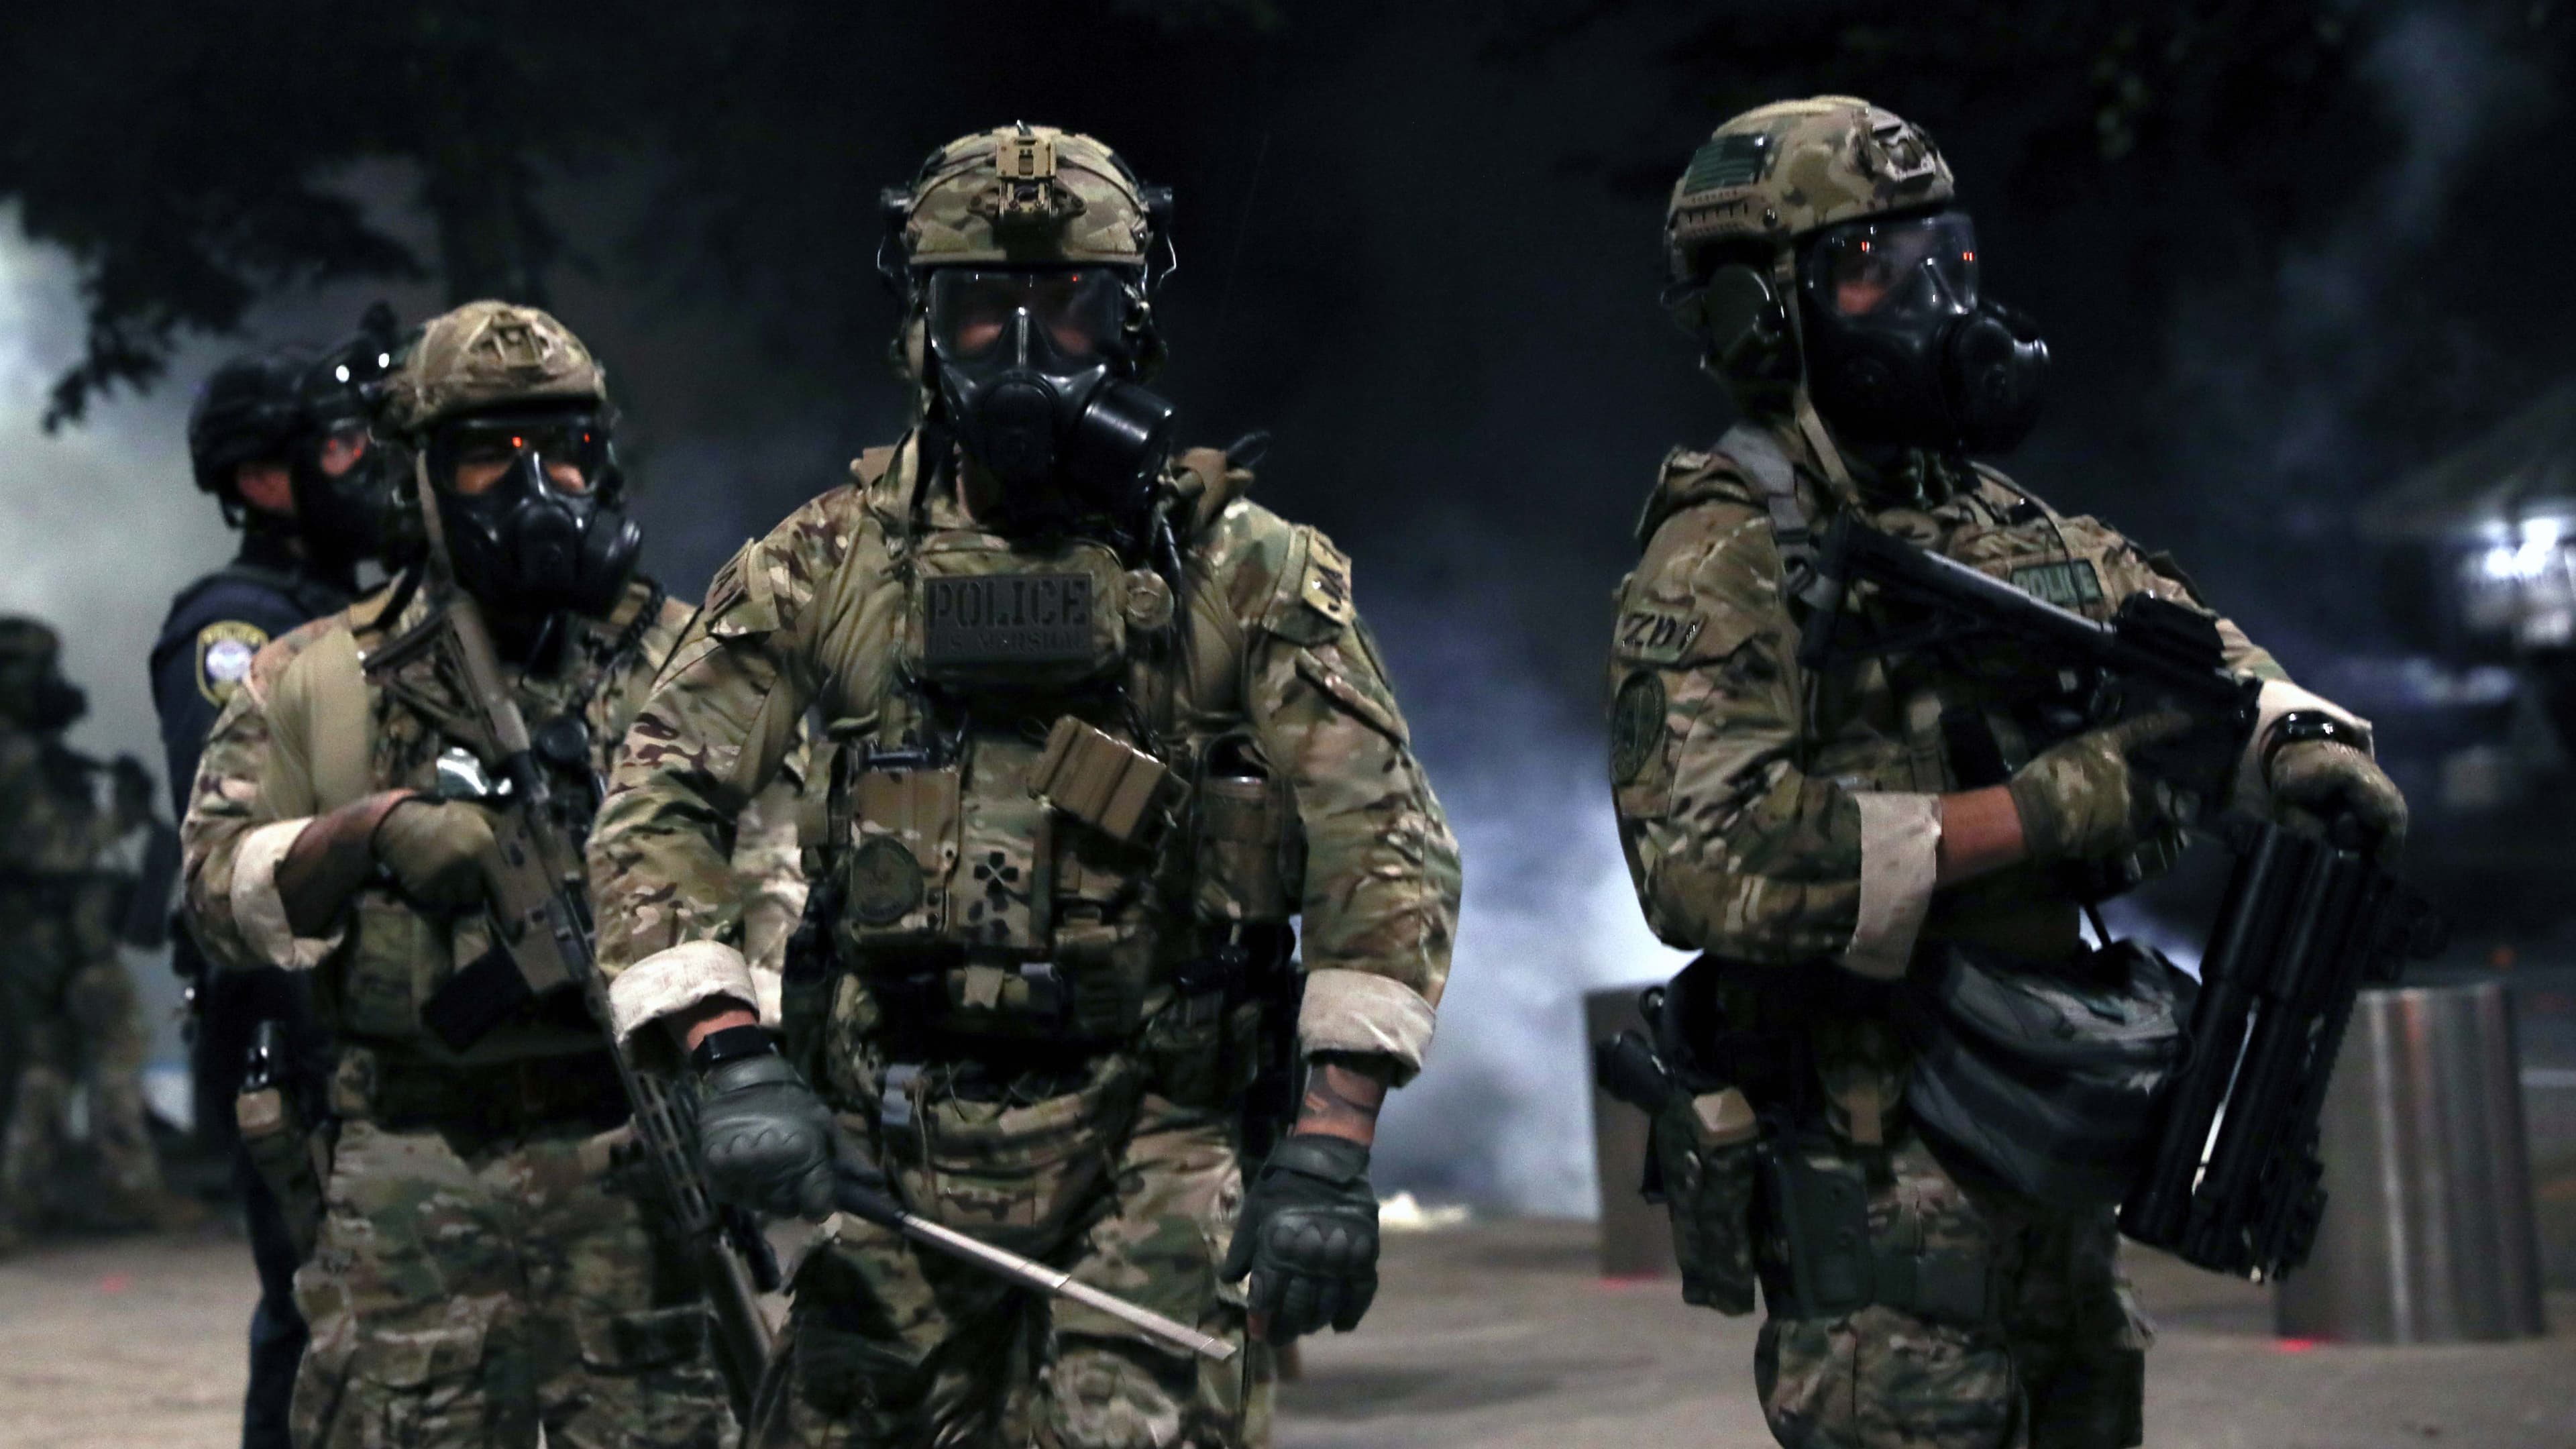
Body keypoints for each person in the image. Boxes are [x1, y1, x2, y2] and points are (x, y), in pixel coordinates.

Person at [582, 123, 1462, 1448]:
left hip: (1155, 1134)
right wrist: (729, 1054)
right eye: (979, 310)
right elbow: (655, 799)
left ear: (1134, 318)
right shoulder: (829, 564)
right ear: (919, 325)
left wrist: (1332, 1140)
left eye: (1071, 304)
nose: (1026, 349)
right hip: (889, 1140)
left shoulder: (1244, 570)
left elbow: (1382, 843)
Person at [1607, 97, 2408, 1449]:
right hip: (1874, 1166)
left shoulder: (1998, 521)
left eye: (1942, 255)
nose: (1929, 297)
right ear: (1768, 314)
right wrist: (2050, 810)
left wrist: (2295, 736)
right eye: (1874, 267)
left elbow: (2184, 641)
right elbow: (1708, 867)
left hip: (2043, 1140)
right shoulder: (1726, 555)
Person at [180, 300, 765, 1449]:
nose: (534, 485)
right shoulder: (319, 676)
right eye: (488, 456)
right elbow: (211, 894)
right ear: (420, 478)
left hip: (630, 1159)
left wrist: (741, 1057)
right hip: (413, 1169)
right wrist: (367, 831)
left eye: (566, 451)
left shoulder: (684, 664)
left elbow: (780, 874)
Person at [154, 309, 398, 1449]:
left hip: (369, 1029)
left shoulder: (358, 614)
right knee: (320, 1329)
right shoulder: (236, 627)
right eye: (340, 446)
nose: (368, 465)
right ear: (261, 476)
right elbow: (245, 843)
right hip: (296, 1036)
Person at [0, 617, 178, 1250]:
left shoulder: (29, 752)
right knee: (113, 1054)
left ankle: (18, 1201)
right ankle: (128, 1190)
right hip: (60, 941)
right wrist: (121, 819)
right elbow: (51, 852)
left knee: (44, 1070)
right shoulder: (16, 756)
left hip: (32, 942)